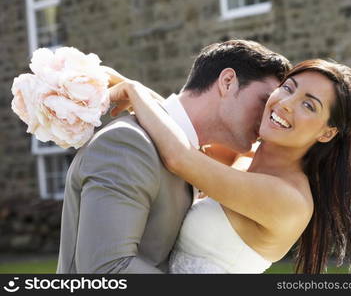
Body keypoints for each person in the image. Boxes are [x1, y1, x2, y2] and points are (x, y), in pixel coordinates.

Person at [108, 59, 351, 273]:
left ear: (327, 133)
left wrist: (133, 92)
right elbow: (183, 130)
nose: (286, 103)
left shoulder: (289, 199)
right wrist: (123, 85)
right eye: (288, 88)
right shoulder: (247, 155)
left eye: (308, 105)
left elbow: (180, 158)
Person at [56, 39, 291, 273]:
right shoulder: (128, 143)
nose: (266, 122)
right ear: (228, 82)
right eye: (264, 102)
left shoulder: (189, 154)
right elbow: (107, 269)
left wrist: (141, 95)